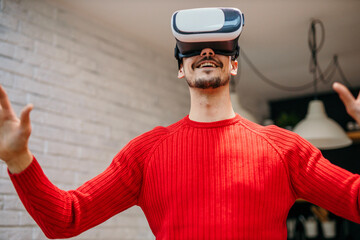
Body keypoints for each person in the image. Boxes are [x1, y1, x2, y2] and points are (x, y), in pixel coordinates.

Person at [1, 7, 360, 240]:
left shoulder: (285, 149)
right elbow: (66, 218)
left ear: (234, 63)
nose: (206, 52)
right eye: (193, 48)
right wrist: (19, 161)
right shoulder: (145, 154)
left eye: (219, 46)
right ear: (179, 66)